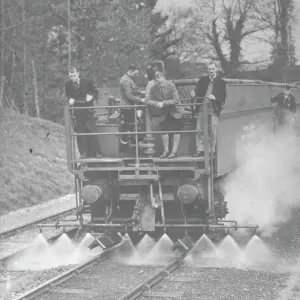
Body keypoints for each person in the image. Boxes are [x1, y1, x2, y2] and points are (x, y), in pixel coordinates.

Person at [146, 61, 184, 158]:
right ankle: (166, 151)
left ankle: (174, 152)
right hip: (164, 112)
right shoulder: (153, 88)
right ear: (156, 81)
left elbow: (176, 99)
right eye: (159, 83)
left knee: (176, 131)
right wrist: (157, 103)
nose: (161, 85)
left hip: (175, 111)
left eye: (162, 82)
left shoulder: (171, 85)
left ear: (164, 79)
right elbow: (148, 100)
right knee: (164, 131)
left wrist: (163, 103)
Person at [191, 61, 227, 157]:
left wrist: (215, 98)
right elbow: (197, 90)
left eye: (212, 69)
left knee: (212, 130)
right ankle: (200, 150)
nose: (211, 71)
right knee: (199, 129)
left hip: (214, 109)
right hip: (202, 108)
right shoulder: (203, 80)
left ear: (216, 69)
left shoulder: (221, 82)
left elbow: (223, 96)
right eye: (209, 69)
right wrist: (193, 93)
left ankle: (212, 151)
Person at [65, 66, 102, 159]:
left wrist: (91, 97)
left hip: (87, 109)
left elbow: (96, 92)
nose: (73, 78)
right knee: (80, 133)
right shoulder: (68, 84)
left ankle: (97, 152)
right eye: (71, 76)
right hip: (77, 111)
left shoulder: (87, 82)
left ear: (78, 73)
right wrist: (69, 99)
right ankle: (83, 153)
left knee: (92, 131)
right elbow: (67, 96)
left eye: (74, 75)